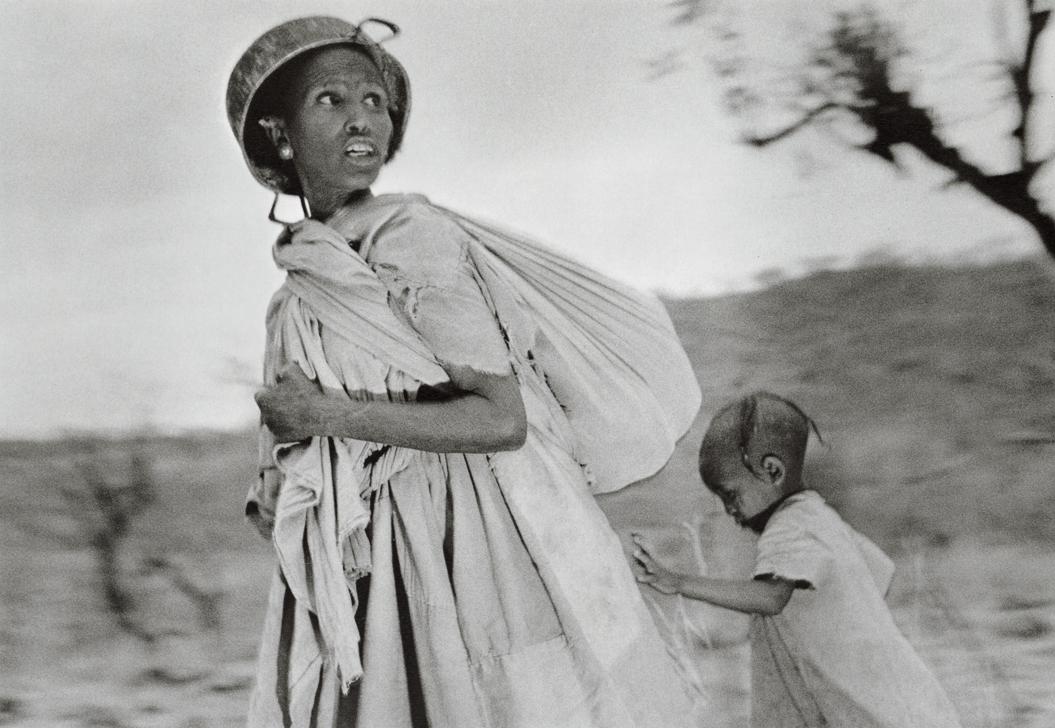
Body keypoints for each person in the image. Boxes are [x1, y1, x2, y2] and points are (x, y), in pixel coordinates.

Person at [225, 15, 702, 728]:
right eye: (331, 100)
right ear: (279, 134)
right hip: (374, 562)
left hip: (477, 547)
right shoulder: (295, 289)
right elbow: (300, 444)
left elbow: (498, 418)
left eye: (374, 101)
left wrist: (327, 418)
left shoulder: (412, 240)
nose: (362, 119)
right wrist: (282, 489)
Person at [632, 392, 963, 728]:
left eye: (731, 494)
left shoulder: (788, 527)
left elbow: (771, 598)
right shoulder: (821, 518)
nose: (729, 510)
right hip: (911, 701)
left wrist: (680, 582)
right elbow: (879, 576)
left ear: (772, 471)